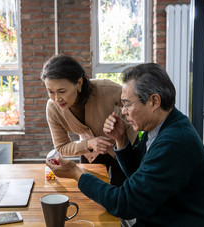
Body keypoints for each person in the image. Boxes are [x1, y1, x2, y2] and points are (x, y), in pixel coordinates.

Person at [46, 63, 204, 226]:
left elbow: (125, 203)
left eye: (127, 104)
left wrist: (76, 173)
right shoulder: (160, 127)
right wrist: (121, 140)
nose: (123, 111)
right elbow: (139, 172)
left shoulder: (174, 142)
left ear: (154, 101)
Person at [40, 54, 138, 186]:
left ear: (79, 83)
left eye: (61, 91)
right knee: (90, 191)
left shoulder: (106, 89)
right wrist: (88, 144)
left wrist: (123, 120)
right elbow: (62, 147)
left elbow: (138, 107)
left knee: (123, 190)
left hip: (125, 145)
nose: (57, 98)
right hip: (91, 152)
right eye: (50, 91)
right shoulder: (53, 109)